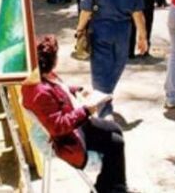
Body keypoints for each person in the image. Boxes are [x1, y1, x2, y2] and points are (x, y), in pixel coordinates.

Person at [22, 35, 129, 193]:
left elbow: (58, 90)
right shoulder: (40, 92)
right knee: (116, 143)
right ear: (51, 60)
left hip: (75, 123)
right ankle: (115, 188)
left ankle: (108, 187)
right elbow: (58, 126)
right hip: (69, 137)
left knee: (115, 129)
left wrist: (76, 90)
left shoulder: (40, 78)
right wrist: (86, 110)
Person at [76, 0, 147, 118]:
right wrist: (142, 37)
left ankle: (103, 109)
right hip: (123, 33)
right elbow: (138, 13)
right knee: (117, 66)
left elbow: (86, 9)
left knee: (100, 71)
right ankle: (105, 104)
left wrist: (79, 29)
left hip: (100, 31)